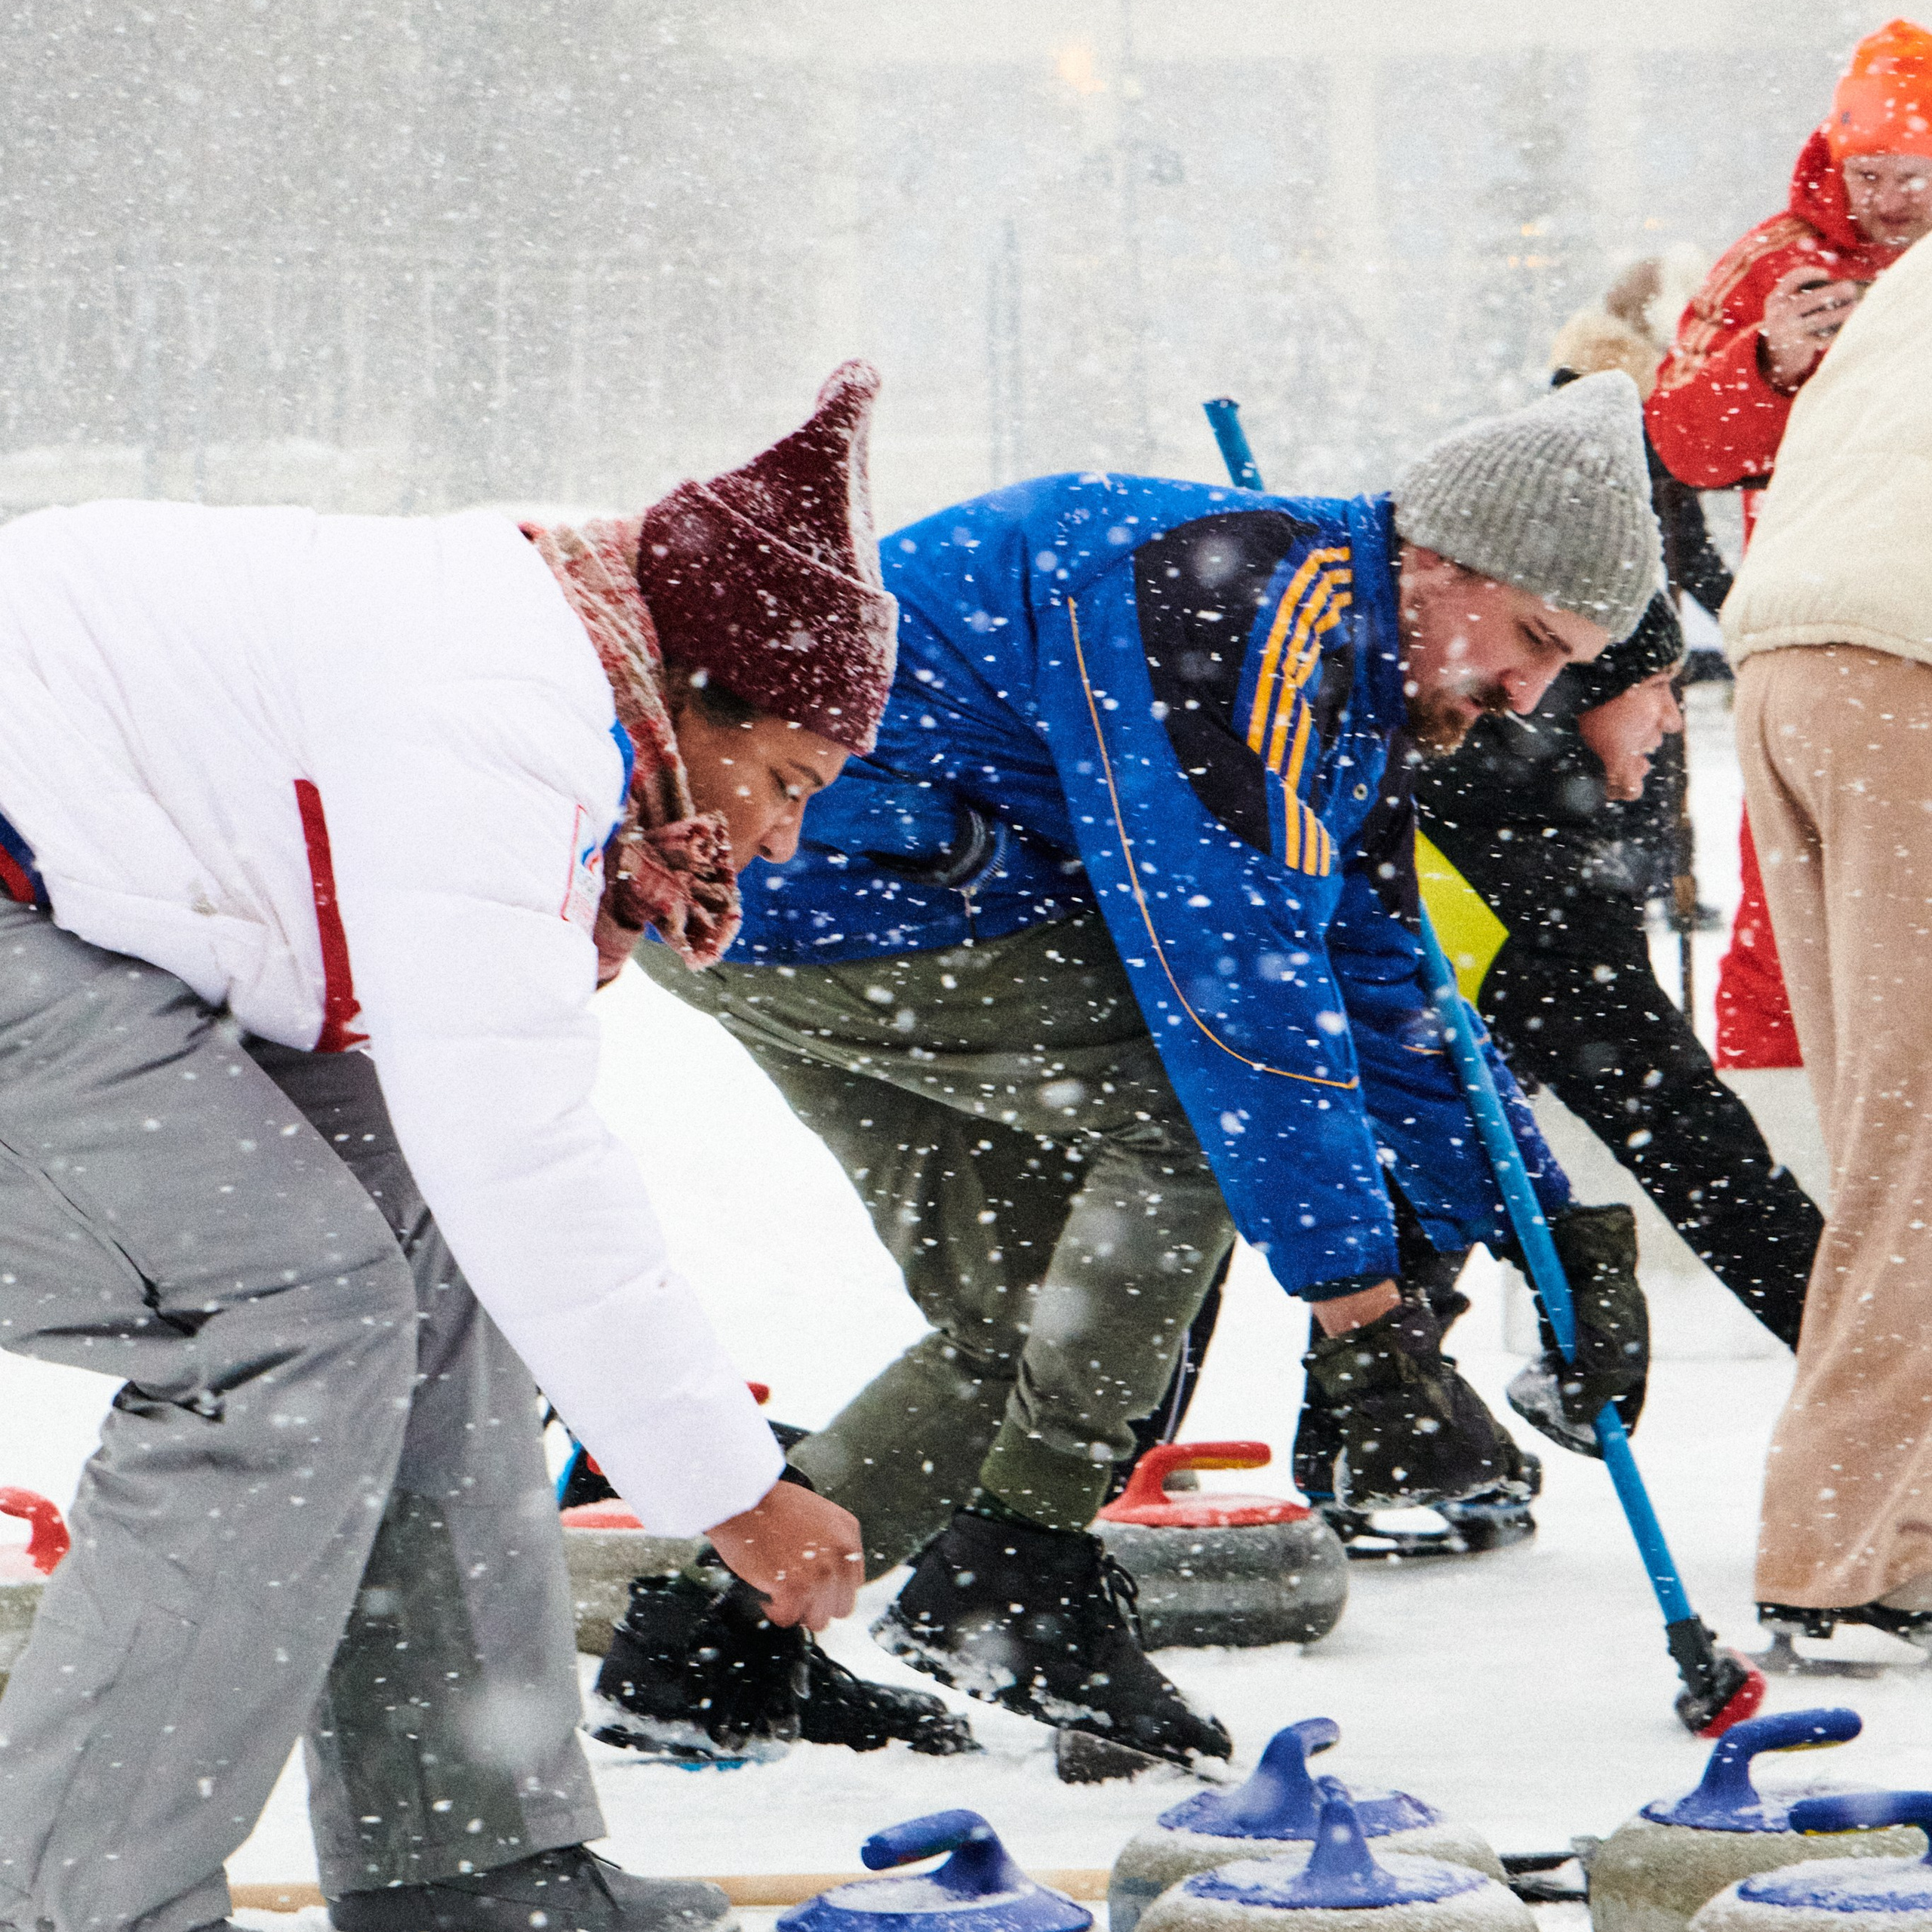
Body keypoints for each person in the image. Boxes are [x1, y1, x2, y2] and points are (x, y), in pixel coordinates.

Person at [617, 371, 1662, 1772]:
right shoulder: (1237, 616)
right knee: (1191, 1118)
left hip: (810, 913)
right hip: (824, 878)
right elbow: (1237, 1003)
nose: (1531, 694)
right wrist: (1366, 1322)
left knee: (1038, 1321)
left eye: (1565, 664)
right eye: (1531, 638)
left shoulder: (1349, 664)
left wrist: (1551, 1235)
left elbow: (1375, 969)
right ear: (1443, 558)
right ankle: (1021, 1569)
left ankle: (716, 1649)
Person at [0, 365, 895, 1932]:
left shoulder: (543, 658)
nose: (778, 840)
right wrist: (728, 1490)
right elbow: (517, 1136)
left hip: (65, 911)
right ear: (698, 698)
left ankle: (469, 1862)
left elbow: (473, 1156)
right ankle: (76, 1901)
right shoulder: (508, 706)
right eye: (786, 784)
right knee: (293, 1303)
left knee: (413, 1245)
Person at [1411, 594, 1823, 1367]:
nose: (1671, 720)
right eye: (1658, 685)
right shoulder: (1532, 865)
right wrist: (1860, 1344)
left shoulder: (1449, 798)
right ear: (1572, 690)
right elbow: (1684, 1133)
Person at [1646, 17, 1932, 1075]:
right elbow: (1677, 439)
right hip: (1828, 627)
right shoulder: (1778, 263)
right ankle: (1792, 1136)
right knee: (1798, 910)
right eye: (1867, 172)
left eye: (1909, 174)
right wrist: (1769, 363)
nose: (1884, 200)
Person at [1722, 228, 1932, 1649]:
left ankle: (1879, 1529)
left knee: (1889, 1129)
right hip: (1908, 667)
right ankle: (1843, 1555)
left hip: (1796, 665)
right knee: (1918, 1147)